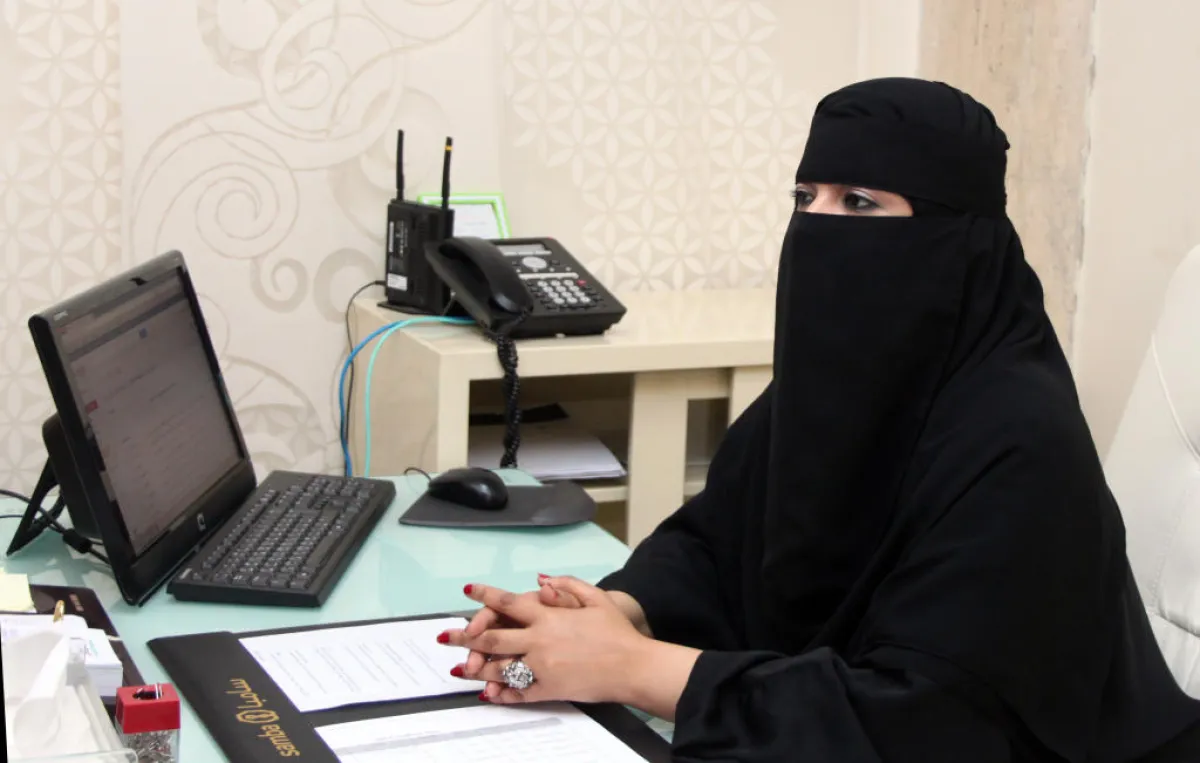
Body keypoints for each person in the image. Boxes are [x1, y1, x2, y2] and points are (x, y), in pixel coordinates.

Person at [436, 78, 1200, 761]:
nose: (818, 227)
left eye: (859, 203)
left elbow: (934, 719)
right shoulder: (840, 389)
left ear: (956, 239)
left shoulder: (1022, 443)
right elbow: (715, 545)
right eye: (806, 198)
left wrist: (632, 667)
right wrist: (607, 613)